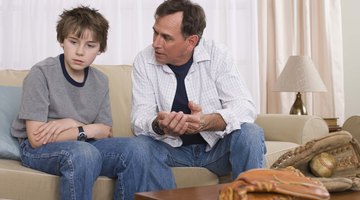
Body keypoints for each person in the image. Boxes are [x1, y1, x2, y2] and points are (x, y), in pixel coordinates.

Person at [131, 0, 266, 189]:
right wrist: (160, 125)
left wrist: (206, 122)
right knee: (139, 147)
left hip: (215, 151)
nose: (155, 43)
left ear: (191, 41)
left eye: (166, 37)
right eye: (155, 32)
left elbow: (244, 107)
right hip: (170, 151)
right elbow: (139, 118)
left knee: (250, 133)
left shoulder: (217, 54)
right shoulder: (144, 60)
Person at [11, 6, 138, 200]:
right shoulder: (41, 73)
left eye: (90, 45)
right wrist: (84, 129)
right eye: (73, 42)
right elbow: (36, 138)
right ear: (62, 41)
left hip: (85, 146)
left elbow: (105, 131)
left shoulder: (101, 81)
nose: (80, 52)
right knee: (84, 153)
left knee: (136, 149)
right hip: (38, 150)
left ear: (100, 49)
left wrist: (72, 124)